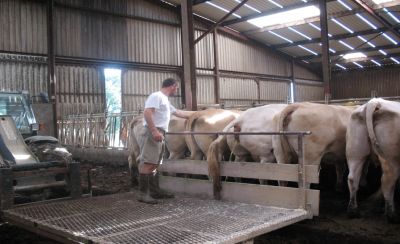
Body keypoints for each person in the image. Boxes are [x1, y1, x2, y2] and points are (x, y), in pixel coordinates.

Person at [138, 78, 189, 204]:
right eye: (176, 87)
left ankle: (155, 192)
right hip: (153, 132)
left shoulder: (165, 100)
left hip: (160, 132)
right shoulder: (157, 96)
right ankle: (143, 194)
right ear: (172, 86)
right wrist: (154, 131)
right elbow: (147, 112)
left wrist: (197, 115)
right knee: (148, 163)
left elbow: (178, 113)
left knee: (155, 163)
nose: (176, 90)